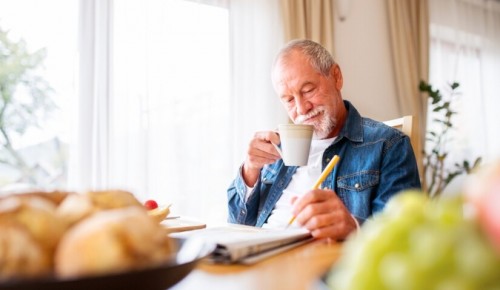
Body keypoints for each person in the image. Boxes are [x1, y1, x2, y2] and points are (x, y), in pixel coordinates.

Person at [227, 39, 421, 240]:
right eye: (289, 100)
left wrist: (353, 228)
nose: (302, 109)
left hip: (323, 264)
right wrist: (250, 171)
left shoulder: (387, 144)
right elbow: (236, 226)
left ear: (336, 77)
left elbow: (405, 236)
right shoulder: (278, 146)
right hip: (261, 257)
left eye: (308, 90)